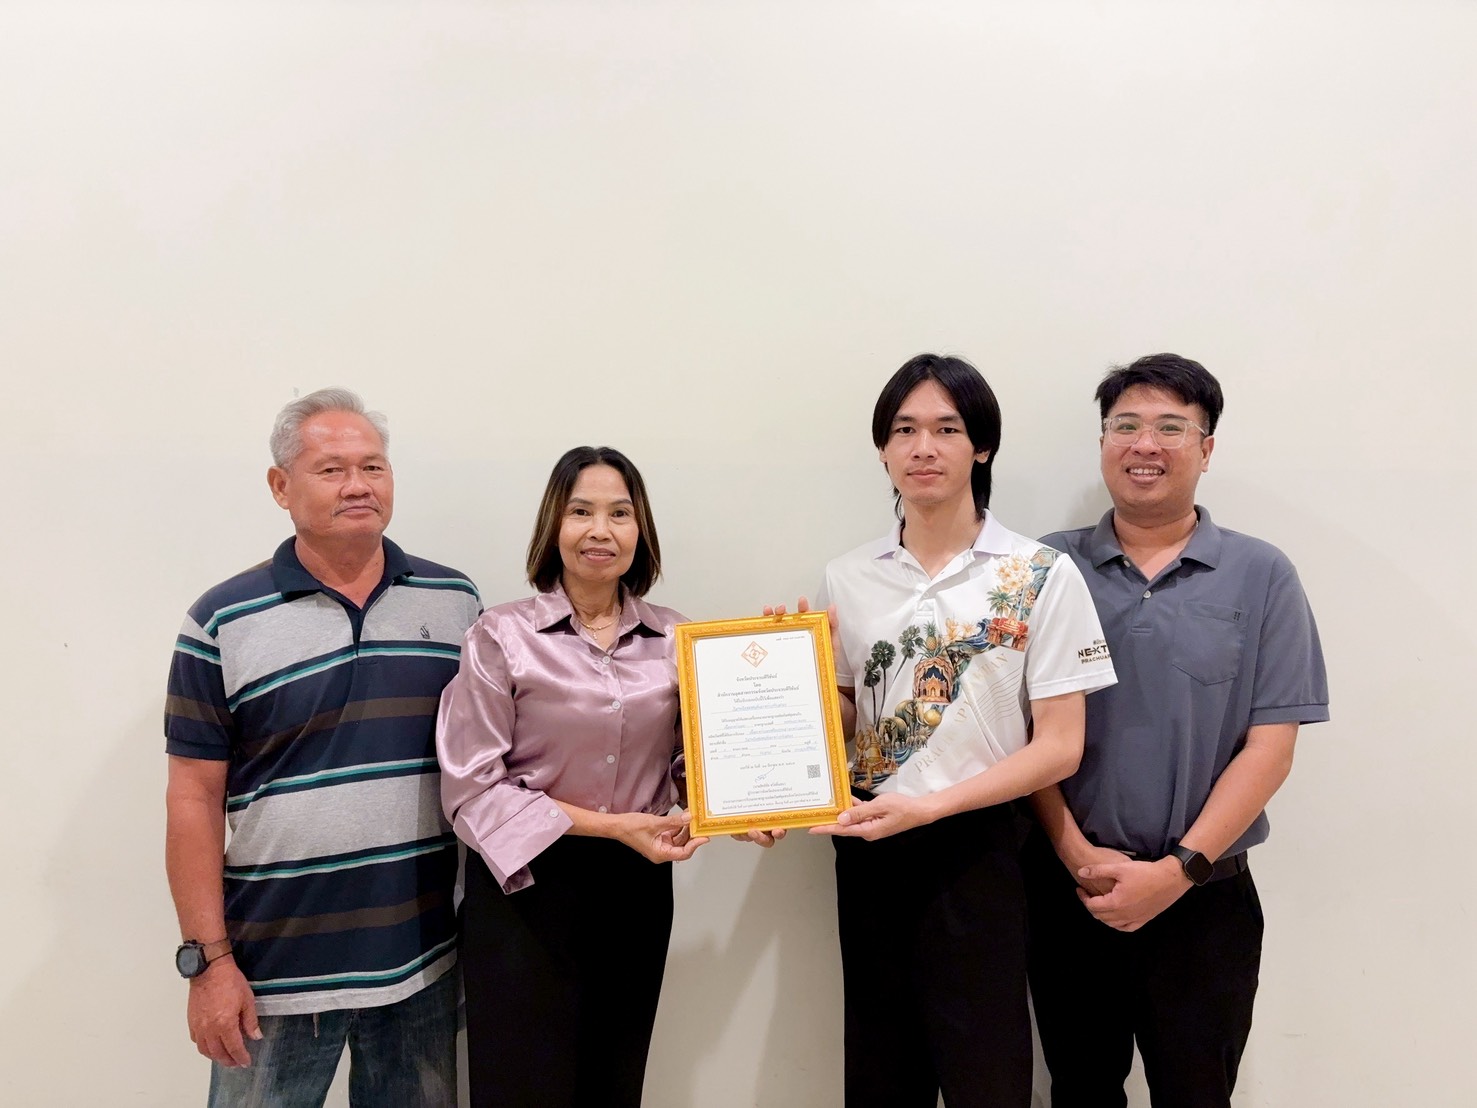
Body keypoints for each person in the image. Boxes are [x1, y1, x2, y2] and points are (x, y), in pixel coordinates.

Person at [797, 353, 1117, 1108]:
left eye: (947, 429)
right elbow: (849, 721)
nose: (923, 448)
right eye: (904, 430)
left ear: (982, 447)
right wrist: (796, 679)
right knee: (880, 1073)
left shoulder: (1039, 572)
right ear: (882, 449)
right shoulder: (848, 576)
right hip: (870, 840)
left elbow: (1060, 746)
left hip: (982, 846)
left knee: (986, 1074)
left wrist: (932, 807)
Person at [1025, 353, 1329, 1107]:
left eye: (1170, 427)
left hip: (1205, 898)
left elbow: (1271, 747)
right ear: (1103, 442)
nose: (1144, 445)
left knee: (1197, 1094)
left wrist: (1177, 872)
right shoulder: (1043, 567)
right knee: (1078, 1092)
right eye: (1124, 425)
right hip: (1073, 893)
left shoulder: (1261, 574)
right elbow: (1018, 736)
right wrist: (1073, 853)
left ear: (1206, 447)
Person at [164, 388, 481, 1107]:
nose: (358, 485)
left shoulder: (454, 603)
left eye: (373, 466)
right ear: (281, 487)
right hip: (271, 973)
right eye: (332, 469)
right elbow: (192, 797)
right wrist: (208, 964)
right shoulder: (222, 621)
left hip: (423, 963)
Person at [436, 445, 705, 1108]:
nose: (599, 530)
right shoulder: (500, 636)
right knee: (522, 1087)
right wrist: (611, 827)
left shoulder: (679, 639)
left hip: (638, 887)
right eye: (581, 511)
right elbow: (472, 788)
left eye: (620, 513)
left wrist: (751, 803)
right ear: (553, 524)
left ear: (640, 529)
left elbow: (692, 762)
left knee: (614, 1082)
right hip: (526, 887)